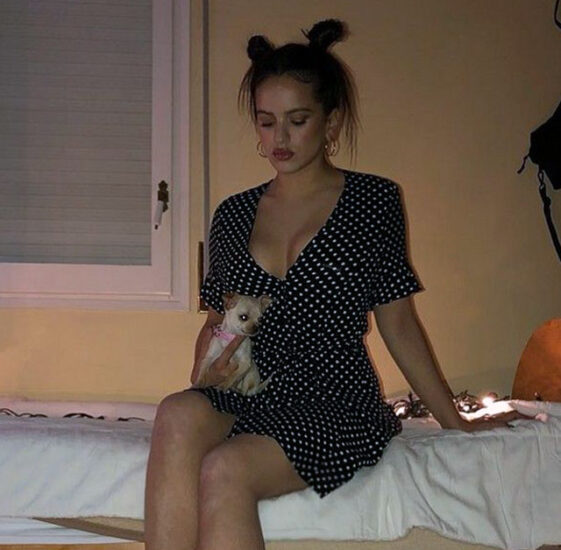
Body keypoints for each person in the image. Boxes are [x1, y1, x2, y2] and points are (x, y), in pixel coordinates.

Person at [144, 19, 528, 550]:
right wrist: (204, 370)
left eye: (297, 120)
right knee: (176, 410)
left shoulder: (373, 202)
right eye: (266, 122)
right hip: (251, 390)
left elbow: (398, 323)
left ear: (331, 121)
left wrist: (452, 420)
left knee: (226, 468)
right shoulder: (232, 214)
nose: (279, 139)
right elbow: (217, 319)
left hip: (333, 399)